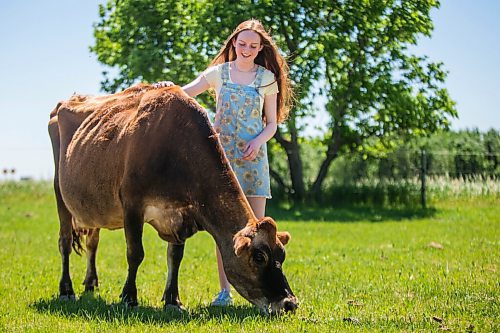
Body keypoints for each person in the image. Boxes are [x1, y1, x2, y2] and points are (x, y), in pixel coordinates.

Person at [154, 19, 292, 306]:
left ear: (260, 48)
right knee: (228, 230)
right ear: (233, 44)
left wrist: (258, 141)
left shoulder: (266, 78)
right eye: (242, 44)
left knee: (258, 231)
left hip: (253, 160)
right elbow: (186, 93)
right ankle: (224, 292)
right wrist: (170, 87)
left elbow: (272, 124)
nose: (246, 49)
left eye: (253, 45)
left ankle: (265, 287)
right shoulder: (220, 74)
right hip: (221, 164)